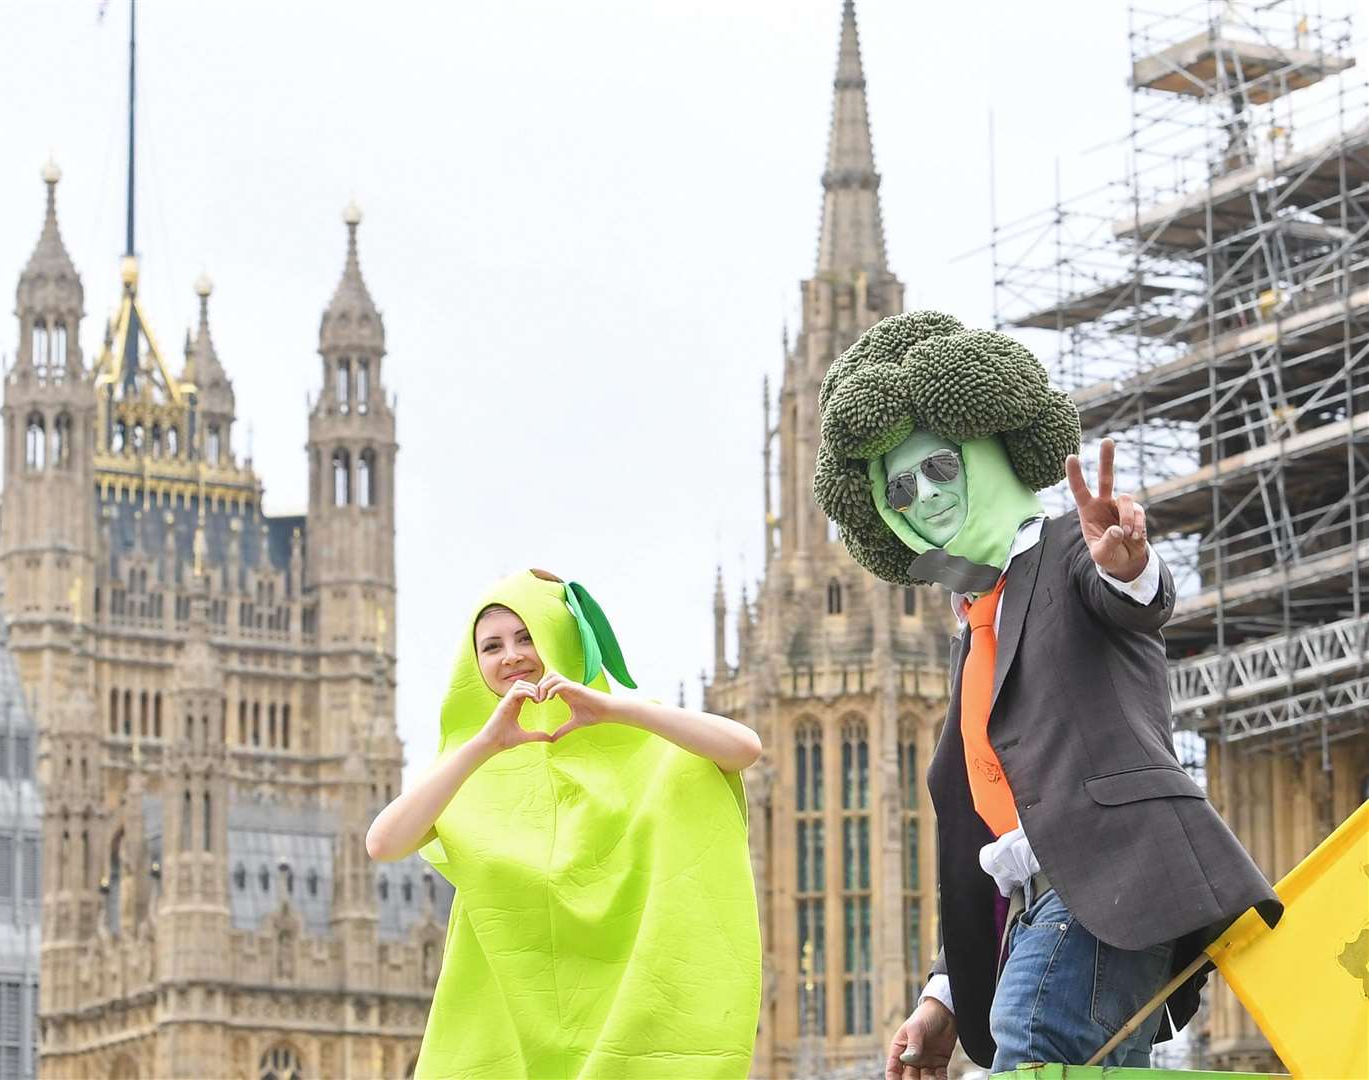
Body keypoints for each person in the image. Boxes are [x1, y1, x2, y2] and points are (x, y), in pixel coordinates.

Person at [811, 311, 1282, 1077]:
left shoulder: (1066, 548)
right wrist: (943, 997)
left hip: (1114, 883)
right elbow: (995, 834)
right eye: (899, 486)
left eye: (938, 469)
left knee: (1032, 1046)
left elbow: (1131, 601)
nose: (922, 496)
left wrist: (1125, 563)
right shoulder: (974, 629)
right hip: (1043, 906)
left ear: (984, 455)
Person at [365, 569, 763, 1079]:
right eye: (491, 646)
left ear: (561, 635)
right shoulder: (469, 769)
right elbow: (384, 841)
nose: (511, 655)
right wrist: (484, 744)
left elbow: (744, 747)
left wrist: (618, 710)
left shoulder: (638, 738)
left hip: (628, 1019)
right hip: (508, 1030)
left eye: (527, 636)